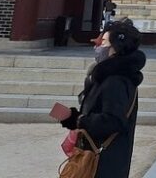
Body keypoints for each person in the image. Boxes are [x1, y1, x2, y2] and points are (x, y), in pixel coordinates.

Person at [60, 20, 145, 178]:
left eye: (103, 42)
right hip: (100, 158)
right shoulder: (107, 77)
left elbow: (112, 121)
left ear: (115, 48)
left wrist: (80, 120)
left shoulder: (116, 82)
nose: (97, 46)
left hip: (104, 162)